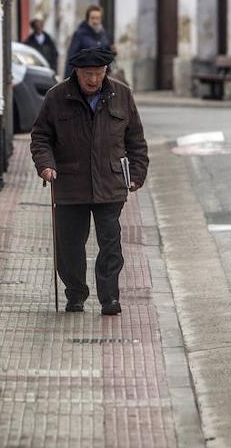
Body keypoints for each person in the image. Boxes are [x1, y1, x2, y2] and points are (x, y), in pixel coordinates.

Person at [30, 46, 149, 315]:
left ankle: (110, 299)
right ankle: (75, 293)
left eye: (97, 73)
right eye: (87, 74)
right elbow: (41, 138)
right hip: (70, 183)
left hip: (110, 183)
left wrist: (137, 174)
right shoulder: (57, 97)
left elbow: (136, 140)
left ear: (105, 71)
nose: (92, 80)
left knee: (111, 243)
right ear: (76, 72)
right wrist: (46, 165)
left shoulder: (122, 95)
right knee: (69, 245)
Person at [64, 5, 113, 78]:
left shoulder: (104, 36)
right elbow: (71, 58)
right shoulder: (79, 35)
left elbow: (107, 57)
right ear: (88, 19)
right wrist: (67, 79)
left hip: (101, 78)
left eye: (98, 18)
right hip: (84, 78)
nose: (95, 21)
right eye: (93, 18)